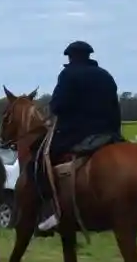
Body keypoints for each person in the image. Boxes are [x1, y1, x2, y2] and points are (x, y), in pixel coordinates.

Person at [40, 40, 122, 232]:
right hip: (110, 134)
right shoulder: (106, 76)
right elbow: (115, 108)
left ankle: (52, 212)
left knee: (42, 161)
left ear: (71, 56)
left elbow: (58, 105)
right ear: (88, 56)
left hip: (78, 134)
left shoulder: (68, 74)